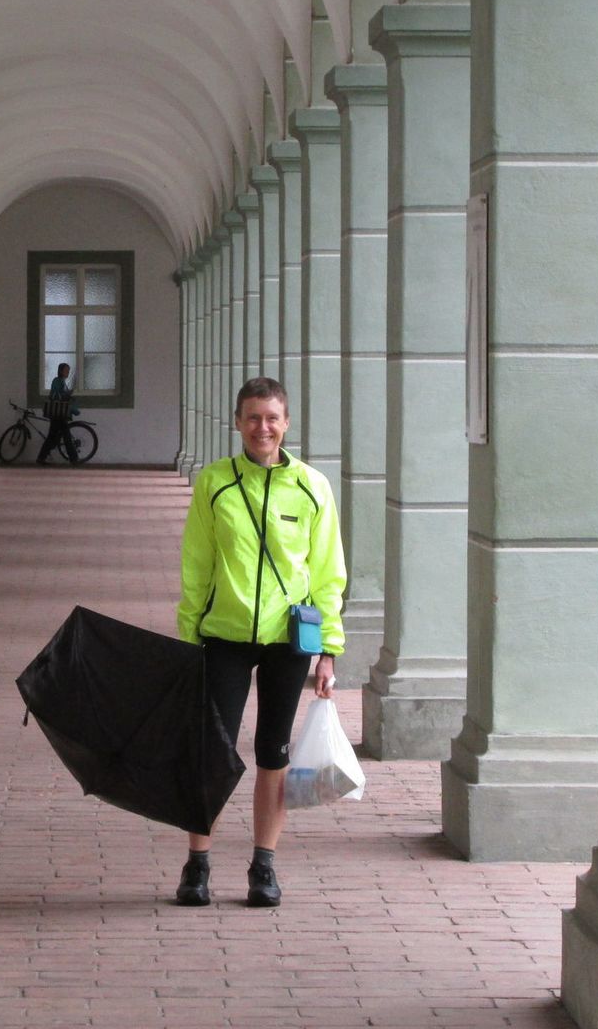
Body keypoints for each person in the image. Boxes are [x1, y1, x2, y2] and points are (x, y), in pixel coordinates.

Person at [173, 375, 346, 908]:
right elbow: (197, 565)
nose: (262, 428)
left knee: (274, 751)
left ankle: (263, 865)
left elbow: (327, 574)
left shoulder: (313, 487)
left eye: (272, 418)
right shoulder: (215, 483)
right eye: (252, 417)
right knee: (213, 750)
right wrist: (188, 639)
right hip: (224, 635)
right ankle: (197, 863)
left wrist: (329, 650)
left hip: (286, 641)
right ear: (238, 422)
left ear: (286, 423)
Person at [36, 362, 78, 464]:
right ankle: (73, 459)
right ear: (60, 371)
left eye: (68, 370)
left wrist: (68, 395)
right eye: (66, 370)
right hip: (59, 414)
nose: (68, 372)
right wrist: (68, 395)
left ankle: (41, 457)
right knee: (66, 436)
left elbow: (62, 395)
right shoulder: (57, 381)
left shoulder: (61, 381)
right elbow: (56, 395)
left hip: (58, 414)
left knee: (52, 437)